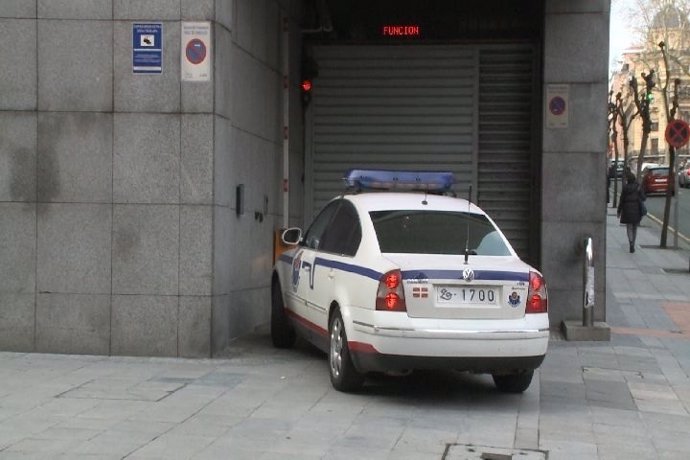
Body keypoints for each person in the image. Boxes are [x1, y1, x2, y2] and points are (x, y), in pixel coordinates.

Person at [617, 171, 646, 253]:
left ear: (628, 180)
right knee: (635, 227)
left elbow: (621, 200)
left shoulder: (625, 188)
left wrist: (619, 211)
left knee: (629, 227)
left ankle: (630, 242)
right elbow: (643, 198)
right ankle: (633, 243)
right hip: (636, 208)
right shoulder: (638, 187)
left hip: (626, 208)